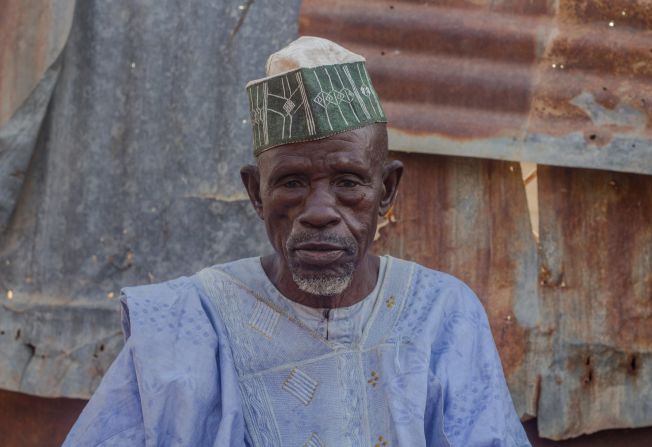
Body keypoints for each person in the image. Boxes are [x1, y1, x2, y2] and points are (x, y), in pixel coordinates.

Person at [64, 36, 530, 447]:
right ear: (255, 193)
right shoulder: (191, 321)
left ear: (386, 190)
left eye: (348, 181)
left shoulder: (441, 314)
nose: (320, 211)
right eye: (291, 182)